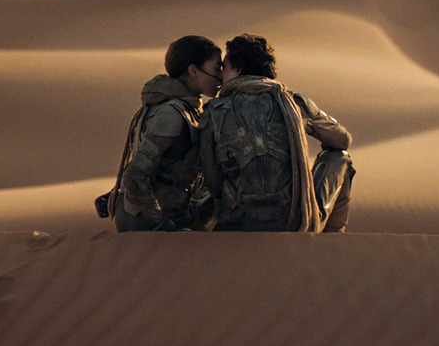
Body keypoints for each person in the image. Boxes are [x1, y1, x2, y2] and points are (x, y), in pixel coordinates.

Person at [200, 34, 355, 232]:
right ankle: (328, 243)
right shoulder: (293, 103)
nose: (221, 76)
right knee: (339, 157)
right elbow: (342, 140)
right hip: (293, 222)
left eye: (225, 67)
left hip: (237, 222)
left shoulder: (213, 111)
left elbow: (212, 178)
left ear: (238, 69)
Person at [103, 35, 222, 232]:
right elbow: (134, 176)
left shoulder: (177, 107)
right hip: (147, 225)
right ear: (193, 70)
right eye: (216, 68)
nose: (220, 77)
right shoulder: (171, 113)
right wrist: (161, 224)